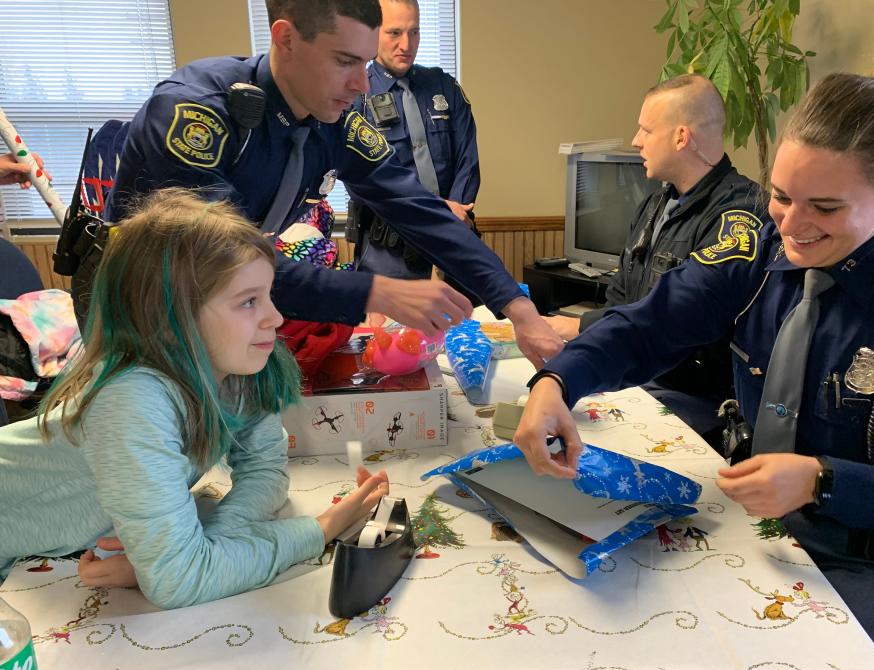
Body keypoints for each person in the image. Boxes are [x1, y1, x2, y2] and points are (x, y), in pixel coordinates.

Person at [514, 49, 874, 670]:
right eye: (781, 196)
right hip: (763, 523)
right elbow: (651, 322)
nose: (795, 227)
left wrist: (826, 481)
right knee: (634, 658)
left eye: (826, 208)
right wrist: (558, 382)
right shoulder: (759, 250)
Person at [87, 0, 560, 368]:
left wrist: (516, 306)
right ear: (286, 38)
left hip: (236, 320)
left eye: (365, 62)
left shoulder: (334, 120)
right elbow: (218, 259)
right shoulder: (195, 112)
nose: (363, 85)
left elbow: (420, 209)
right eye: (344, 61)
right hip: (149, 327)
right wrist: (375, 292)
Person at [0, 188, 389, 609]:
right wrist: (324, 528)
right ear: (170, 318)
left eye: (269, 294)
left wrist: (198, 549)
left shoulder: (240, 367)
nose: (275, 318)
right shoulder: (131, 399)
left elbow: (264, 469)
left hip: (66, 543)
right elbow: (181, 583)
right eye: (248, 302)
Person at [545, 75, 766, 440]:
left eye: (646, 129)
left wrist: (579, 331)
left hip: (692, 402)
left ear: (681, 137)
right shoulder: (653, 206)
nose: (636, 140)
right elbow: (620, 297)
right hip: (636, 383)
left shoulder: (741, 214)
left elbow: (683, 319)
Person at [349, 0, 480, 281]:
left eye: (415, 32)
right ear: (374, 33)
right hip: (389, 251)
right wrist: (435, 210)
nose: (406, 45)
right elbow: (362, 183)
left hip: (455, 239)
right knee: (393, 326)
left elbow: (467, 159)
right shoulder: (357, 94)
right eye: (394, 33)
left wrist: (453, 218)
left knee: (470, 321)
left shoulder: (443, 86)